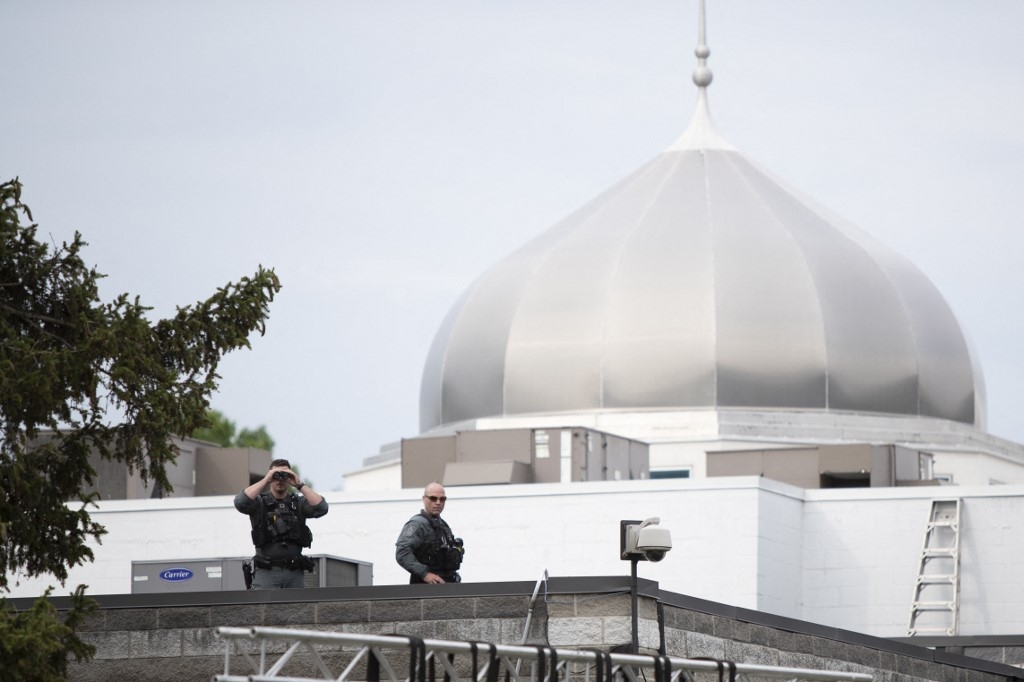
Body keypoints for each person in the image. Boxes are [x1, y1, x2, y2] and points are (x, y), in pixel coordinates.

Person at [234, 458, 328, 589]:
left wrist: (300, 484)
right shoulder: (259, 503)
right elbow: (240, 502)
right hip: (267, 571)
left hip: (294, 572)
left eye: (285, 475)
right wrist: (266, 479)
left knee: (297, 608)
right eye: (276, 475)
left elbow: (322, 508)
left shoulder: (298, 503)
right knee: (264, 608)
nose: (280, 479)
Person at [395, 482, 464, 584]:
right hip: (426, 589)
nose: (438, 502)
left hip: (446, 585)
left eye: (442, 499)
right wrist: (425, 574)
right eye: (433, 498)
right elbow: (402, 553)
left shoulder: (443, 525)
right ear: (424, 499)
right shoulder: (417, 524)